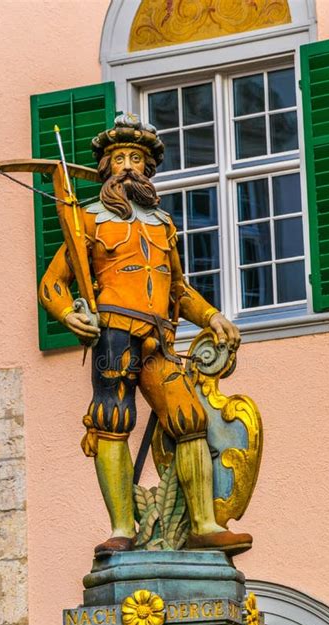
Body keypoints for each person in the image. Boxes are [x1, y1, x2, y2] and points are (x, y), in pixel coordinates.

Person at [39, 114, 252, 557]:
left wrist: (211, 315)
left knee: (189, 418)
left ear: (148, 170)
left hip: (160, 337)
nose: (128, 167)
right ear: (106, 169)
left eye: (136, 158)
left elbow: (178, 288)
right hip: (115, 331)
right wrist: (67, 313)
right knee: (113, 421)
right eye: (119, 159)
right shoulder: (88, 221)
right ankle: (122, 528)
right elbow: (53, 283)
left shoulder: (162, 225)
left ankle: (204, 524)